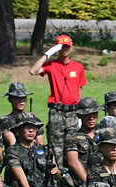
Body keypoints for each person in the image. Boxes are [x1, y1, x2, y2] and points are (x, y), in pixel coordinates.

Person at [30, 34, 87, 171]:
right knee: (57, 147)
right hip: (57, 111)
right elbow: (33, 71)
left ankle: (73, 176)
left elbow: (79, 90)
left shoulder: (78, 67)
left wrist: (81, 112)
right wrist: (47, 54)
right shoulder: (51, 65)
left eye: (67, 46)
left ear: (71, 47)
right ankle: (60, 176)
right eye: (61, 47)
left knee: (73, 145)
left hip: (73, 111)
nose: (64, 50)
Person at [63, 97, 100, 187]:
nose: (91, 118)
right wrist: (90, 184)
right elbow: (72, 161)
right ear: (79, 116)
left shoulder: (103, 134)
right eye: (87, 115)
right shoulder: (72, 136)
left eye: (94, 114)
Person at [0, 82, 35, 147]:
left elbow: (40, 143)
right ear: (10, 99)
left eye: (23, 97)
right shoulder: (5, 120)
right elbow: (13, 143)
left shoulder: (33, 118)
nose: (21, 101)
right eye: (17, 98)